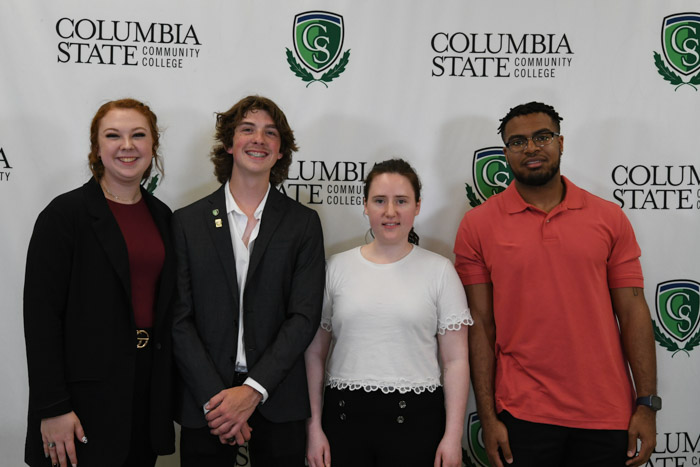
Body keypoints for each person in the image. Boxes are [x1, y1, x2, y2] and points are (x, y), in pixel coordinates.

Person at [454, 102, 659, 467]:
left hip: (607, 414)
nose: (531, 148)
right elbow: (480, 325)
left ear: (560, 143)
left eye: (542, 137)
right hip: (522, 414)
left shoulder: (608, 217)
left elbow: (633, 312)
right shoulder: (478, 225)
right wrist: (487, 417)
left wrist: (646, 404)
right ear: (505, 154)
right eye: (517, 142)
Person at [171, 95, 325, 467]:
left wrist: (253, 391)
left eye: (270, 133)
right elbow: (178, 319)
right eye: (247, 129)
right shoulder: (187, 222)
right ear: (229, 143)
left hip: (278, 399)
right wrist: (218, 398)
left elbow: (304, 317)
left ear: (280, 150)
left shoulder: (303, 223)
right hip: (207, 404)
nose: (259, 139)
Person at [23, 98, 176, 467]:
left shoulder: (163, 216)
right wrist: (53, 407)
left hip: (145, 391)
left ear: (152, 146)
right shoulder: (64, 215)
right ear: (96, 148)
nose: (127, 145)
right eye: (113, 135)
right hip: (81, 402)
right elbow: (41, 318)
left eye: (138, 135)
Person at [305, 158, 472, 467]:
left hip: (418, 423)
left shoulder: (440, 271)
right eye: (380, 200)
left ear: (418, 206)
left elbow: (456, 360)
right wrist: (314, 427)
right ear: (365, 205)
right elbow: (314, 354)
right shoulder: (335, 267)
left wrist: (453, 436)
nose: (390, 211)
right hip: (342, 420)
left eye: (402, 201)